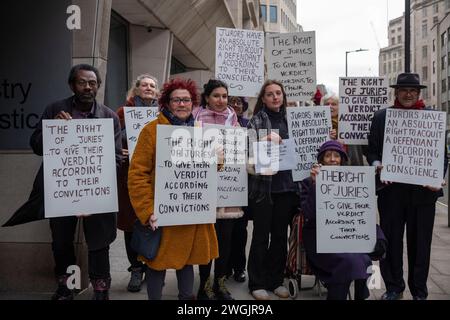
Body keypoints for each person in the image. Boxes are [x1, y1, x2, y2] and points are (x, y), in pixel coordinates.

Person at [29, 64, 122, 300]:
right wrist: (55, 130)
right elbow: (36, 146)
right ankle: (65, 287)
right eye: (82, 82)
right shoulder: (54, 109)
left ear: (98, 86)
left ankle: (101, 289)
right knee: (61, 242)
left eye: (92, 83)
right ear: (72, 85)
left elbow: (117, 158)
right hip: (62, 192)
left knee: (99, 243)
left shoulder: (109, 116)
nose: (88, 87)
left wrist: (92, 193)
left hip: (97, 193)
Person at [128, 78, 219, 300]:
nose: (181, 104)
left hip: (189, 213)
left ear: (193, 103)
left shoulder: (200, 132)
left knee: (186, 262)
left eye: (186, 100)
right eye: (176, 100)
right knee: (157, 264)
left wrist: (219, 158)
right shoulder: (152, 131)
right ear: (167, 103)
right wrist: (147, 210)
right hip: (162, 215)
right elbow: (137, 175)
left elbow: (206, 172)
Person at [367, 72, 448, 300]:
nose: (408, 94)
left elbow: (442, 155)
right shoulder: (382, 117)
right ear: (396, 93)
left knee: (420, 245)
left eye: (413, 90)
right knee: (390, 241)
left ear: (419, 93)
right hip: (391, 192)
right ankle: (394, 288)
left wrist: (437, 177)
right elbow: (371, 150)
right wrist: (378, 164)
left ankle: (419, 292)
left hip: (423, 194)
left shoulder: (431, 117)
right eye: (404, 90)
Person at [300, 140, 386, 300]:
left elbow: (361, 215)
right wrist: (315, 186)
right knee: (349, 261)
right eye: (328, 156)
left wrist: (378, 237)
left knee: (362, 258)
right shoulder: (309, 182)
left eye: (336, 156)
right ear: (321, 160)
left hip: (349, 237)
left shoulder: (352, 181)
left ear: (342, 160)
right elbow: (309, 214)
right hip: (321, 241)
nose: (332, 159)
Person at [246, 80, 299, 300]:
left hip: (287, 189)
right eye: (270, 94)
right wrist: (263, 141)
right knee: (260, 236)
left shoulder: (293, 120)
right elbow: (247, 156)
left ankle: (275, 280)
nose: (275, 97)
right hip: (263, 190)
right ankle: (256, 282)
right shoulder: (255, 121)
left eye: (278, 93)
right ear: (263, 98)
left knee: (279, 237)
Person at [193, 80, 244, 300]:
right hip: (204, 192)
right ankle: (204, 286)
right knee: (205, 245)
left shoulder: (236, 122)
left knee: (225, 244)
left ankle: (220, 284)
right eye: (216, 95)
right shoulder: (194, 120)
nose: (221, 100)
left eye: (224, 96)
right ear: (206, 98)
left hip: (229, 193)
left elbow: (244, 156)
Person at [115, 74, 159, 292]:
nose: (148, 88)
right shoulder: (124, 111)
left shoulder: (163, 112)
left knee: (152, 220)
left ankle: (151, 265)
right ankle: (135, 268)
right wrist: (119, 149)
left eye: (152, 85)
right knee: (132, 222)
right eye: (144, 85)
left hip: (157, 175)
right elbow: (112, 136)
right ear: (136, 89)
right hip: (130, 175)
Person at [227, 96, 251, 283]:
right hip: (221, 184)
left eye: (239, 103)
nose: (236, 105)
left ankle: (239, 268)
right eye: (233, 101)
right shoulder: (217, 122)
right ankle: (224, 268)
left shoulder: (249, 125)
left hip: (242, 183)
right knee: (223, 232)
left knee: (240, 230)